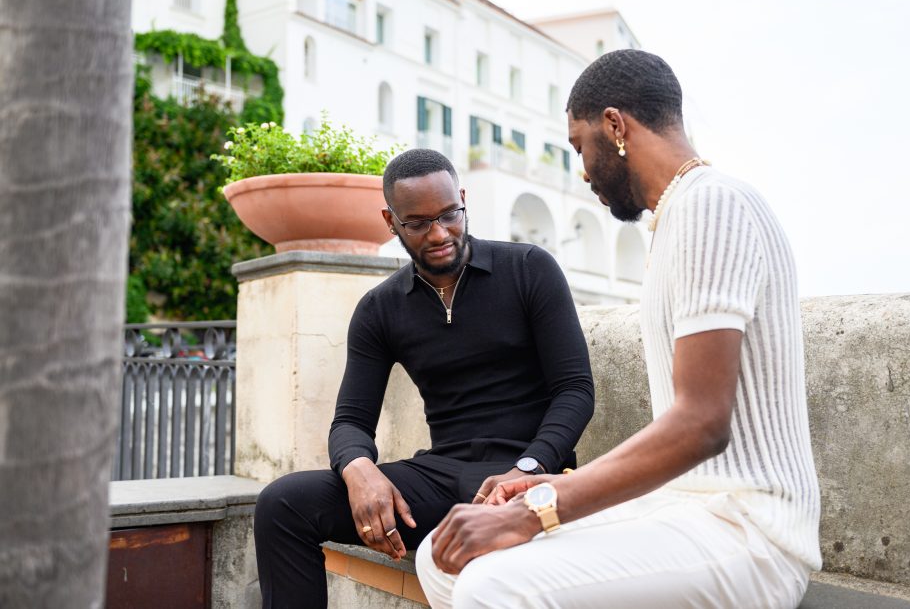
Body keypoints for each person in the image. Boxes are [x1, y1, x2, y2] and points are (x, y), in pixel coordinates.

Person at [417, 50, 822, 609]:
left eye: (579, 146)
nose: (583, 171)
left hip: (752, 531)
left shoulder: (714, 205)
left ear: (614, 126)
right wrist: (549, 486)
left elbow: (702, 424)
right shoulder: (676, 217)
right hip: (682, 508)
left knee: (491, 586)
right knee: (443, 555)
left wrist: (537, 511)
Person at [254, 149, 595, 608]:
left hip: (529, 473)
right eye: (416, 223)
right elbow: (350, 421)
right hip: (440, 478)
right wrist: (359, 470)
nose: (439, 234)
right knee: (282, 504)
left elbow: (575, 389)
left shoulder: (528, 268)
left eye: (449, 214)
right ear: (390, 221)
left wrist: (527, 469)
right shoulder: (380, 309)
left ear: (463, 200)